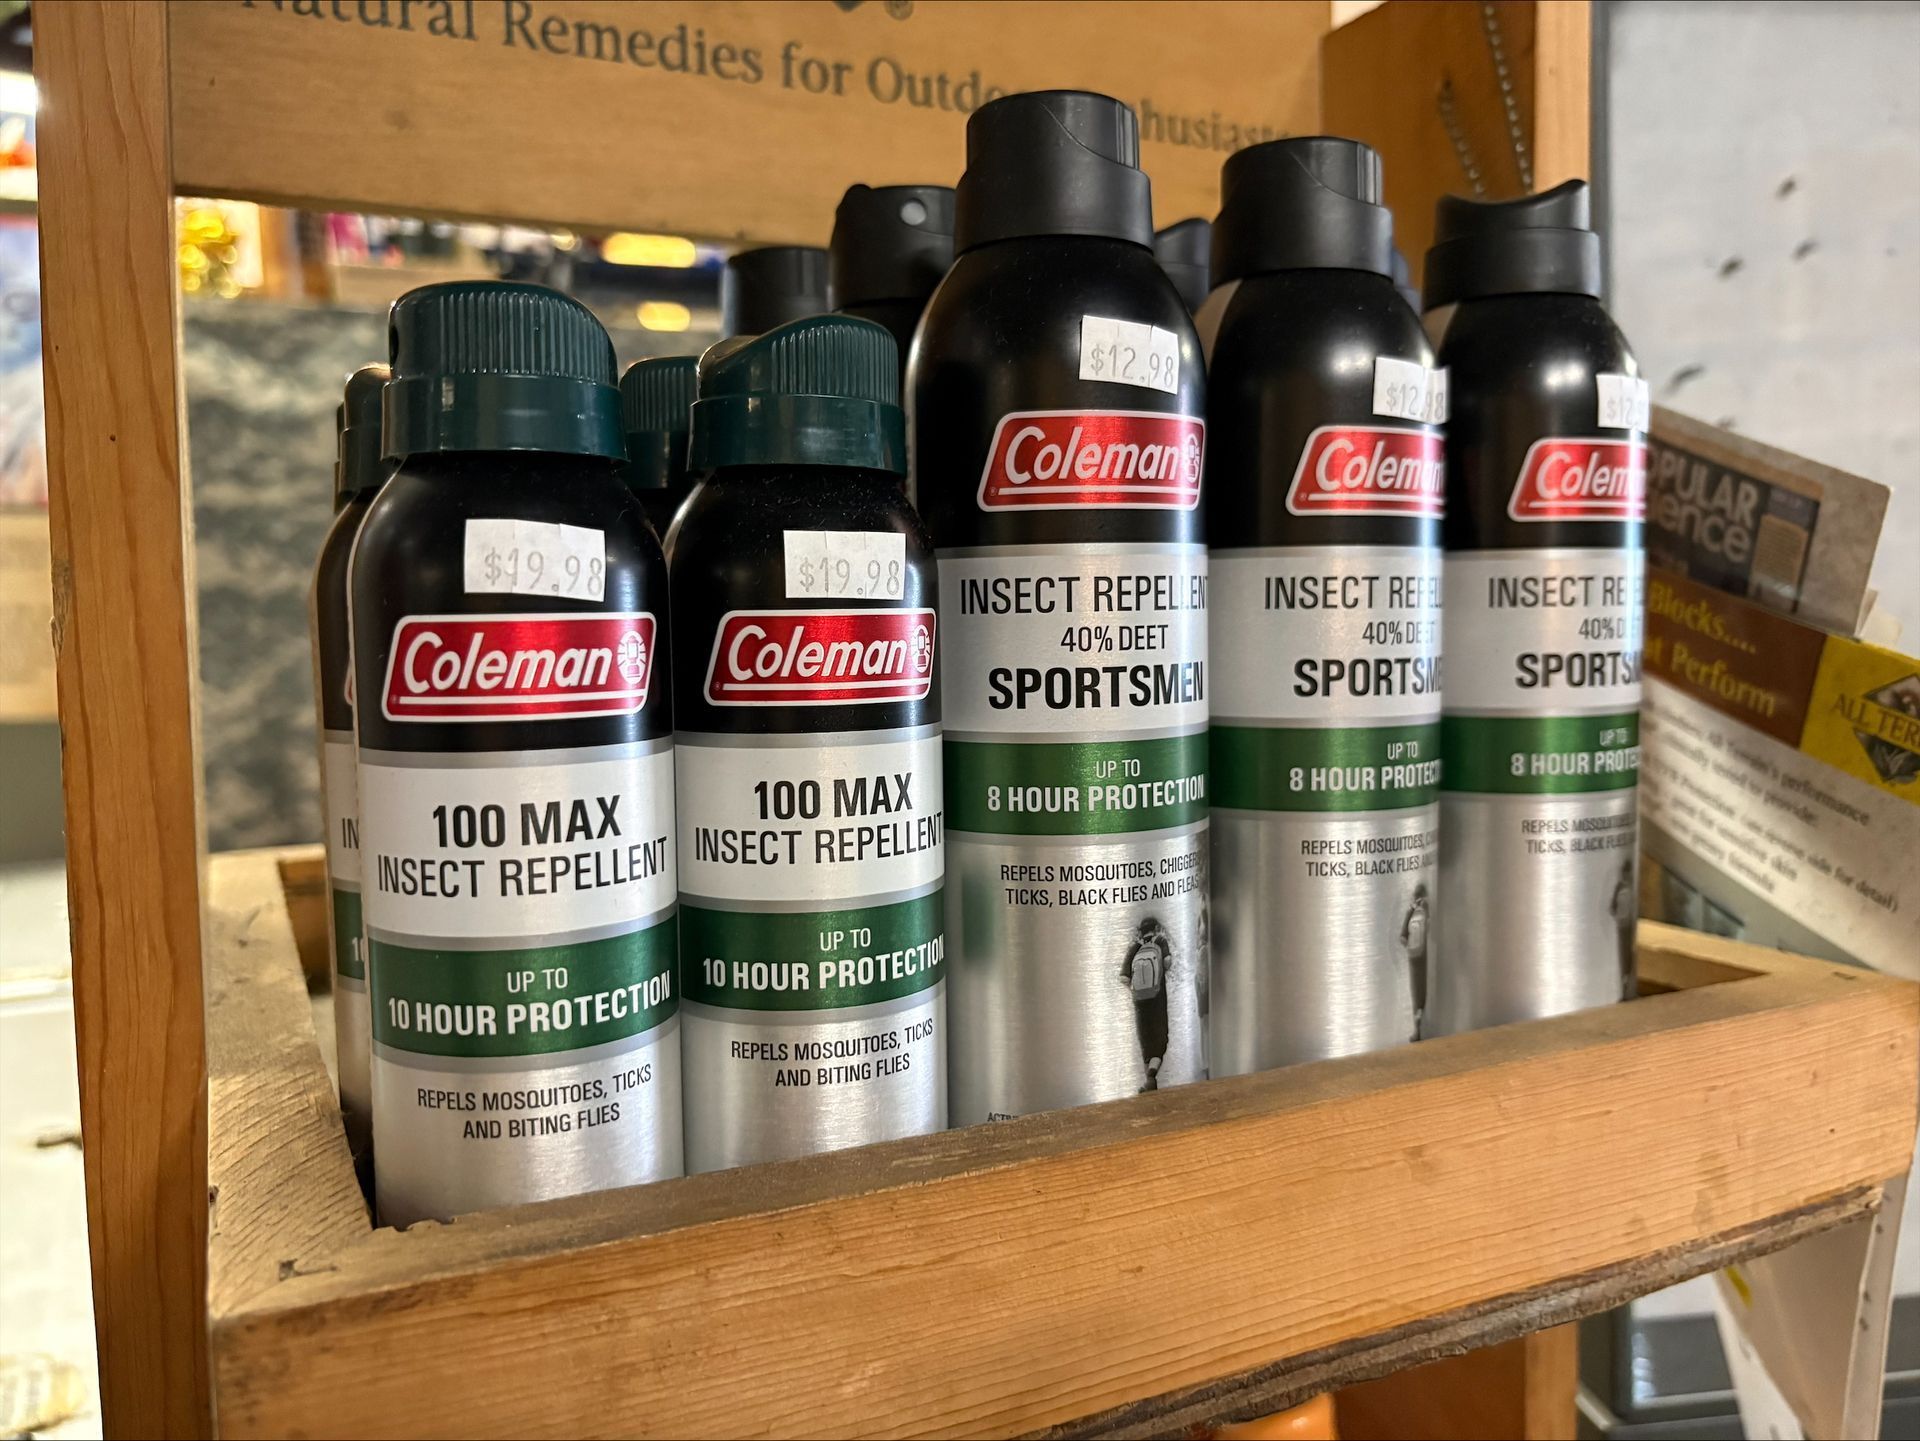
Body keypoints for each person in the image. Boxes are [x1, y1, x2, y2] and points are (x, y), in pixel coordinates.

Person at [1122, 917, 1173, 1091]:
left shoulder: (1134, 947)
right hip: (1157, 998)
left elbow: (1124, 978)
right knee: (1159, 1039)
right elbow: (1167, 962)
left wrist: (1137, 990)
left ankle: (1148, 1081)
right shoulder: (1160, 941)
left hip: (1139, 1001)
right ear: (1156, 928)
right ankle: (1152, 1075)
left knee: (1145, 1040)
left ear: (1140, 931)